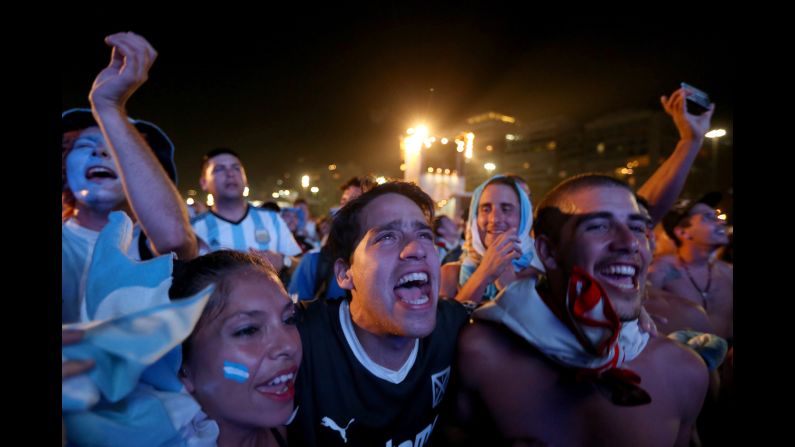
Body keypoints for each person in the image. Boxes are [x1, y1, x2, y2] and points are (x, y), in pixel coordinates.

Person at [455, 174, 709, 446]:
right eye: (598, 226)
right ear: (549, 252)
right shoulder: (479, 355)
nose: (630, 242)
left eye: (637, 228)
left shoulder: (684, 371)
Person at [288, 181, 471, 446]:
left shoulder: (458, 329)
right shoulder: (299, 340)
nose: (416, 249)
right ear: (344, 273)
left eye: (424, 236)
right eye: (387, 237)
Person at [62, 31, 197, 324]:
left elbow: (175, 239)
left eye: (116, 148)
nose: (101, 153)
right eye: (85, 146)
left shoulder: (148, 247)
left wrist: (109, 108)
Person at [171, 250, 302, 447]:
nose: (289, 346)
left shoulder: (296, 428)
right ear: (182, 368)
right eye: (248, 330)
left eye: (289, 319)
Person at [191, 147, 302, 273]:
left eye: (236, 168)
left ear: (245, 178)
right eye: (219, 169)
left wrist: (283, 261)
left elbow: (302, 266)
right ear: (204, 182)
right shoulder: (193, 229)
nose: (230, 174)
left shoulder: (272, 218)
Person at [650, 192, 733, 341]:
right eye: (708, 218)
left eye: (717, 217)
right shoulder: (660, 271)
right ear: (683, 232)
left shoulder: (728, 272)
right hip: (680, 360)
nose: (721, 222)